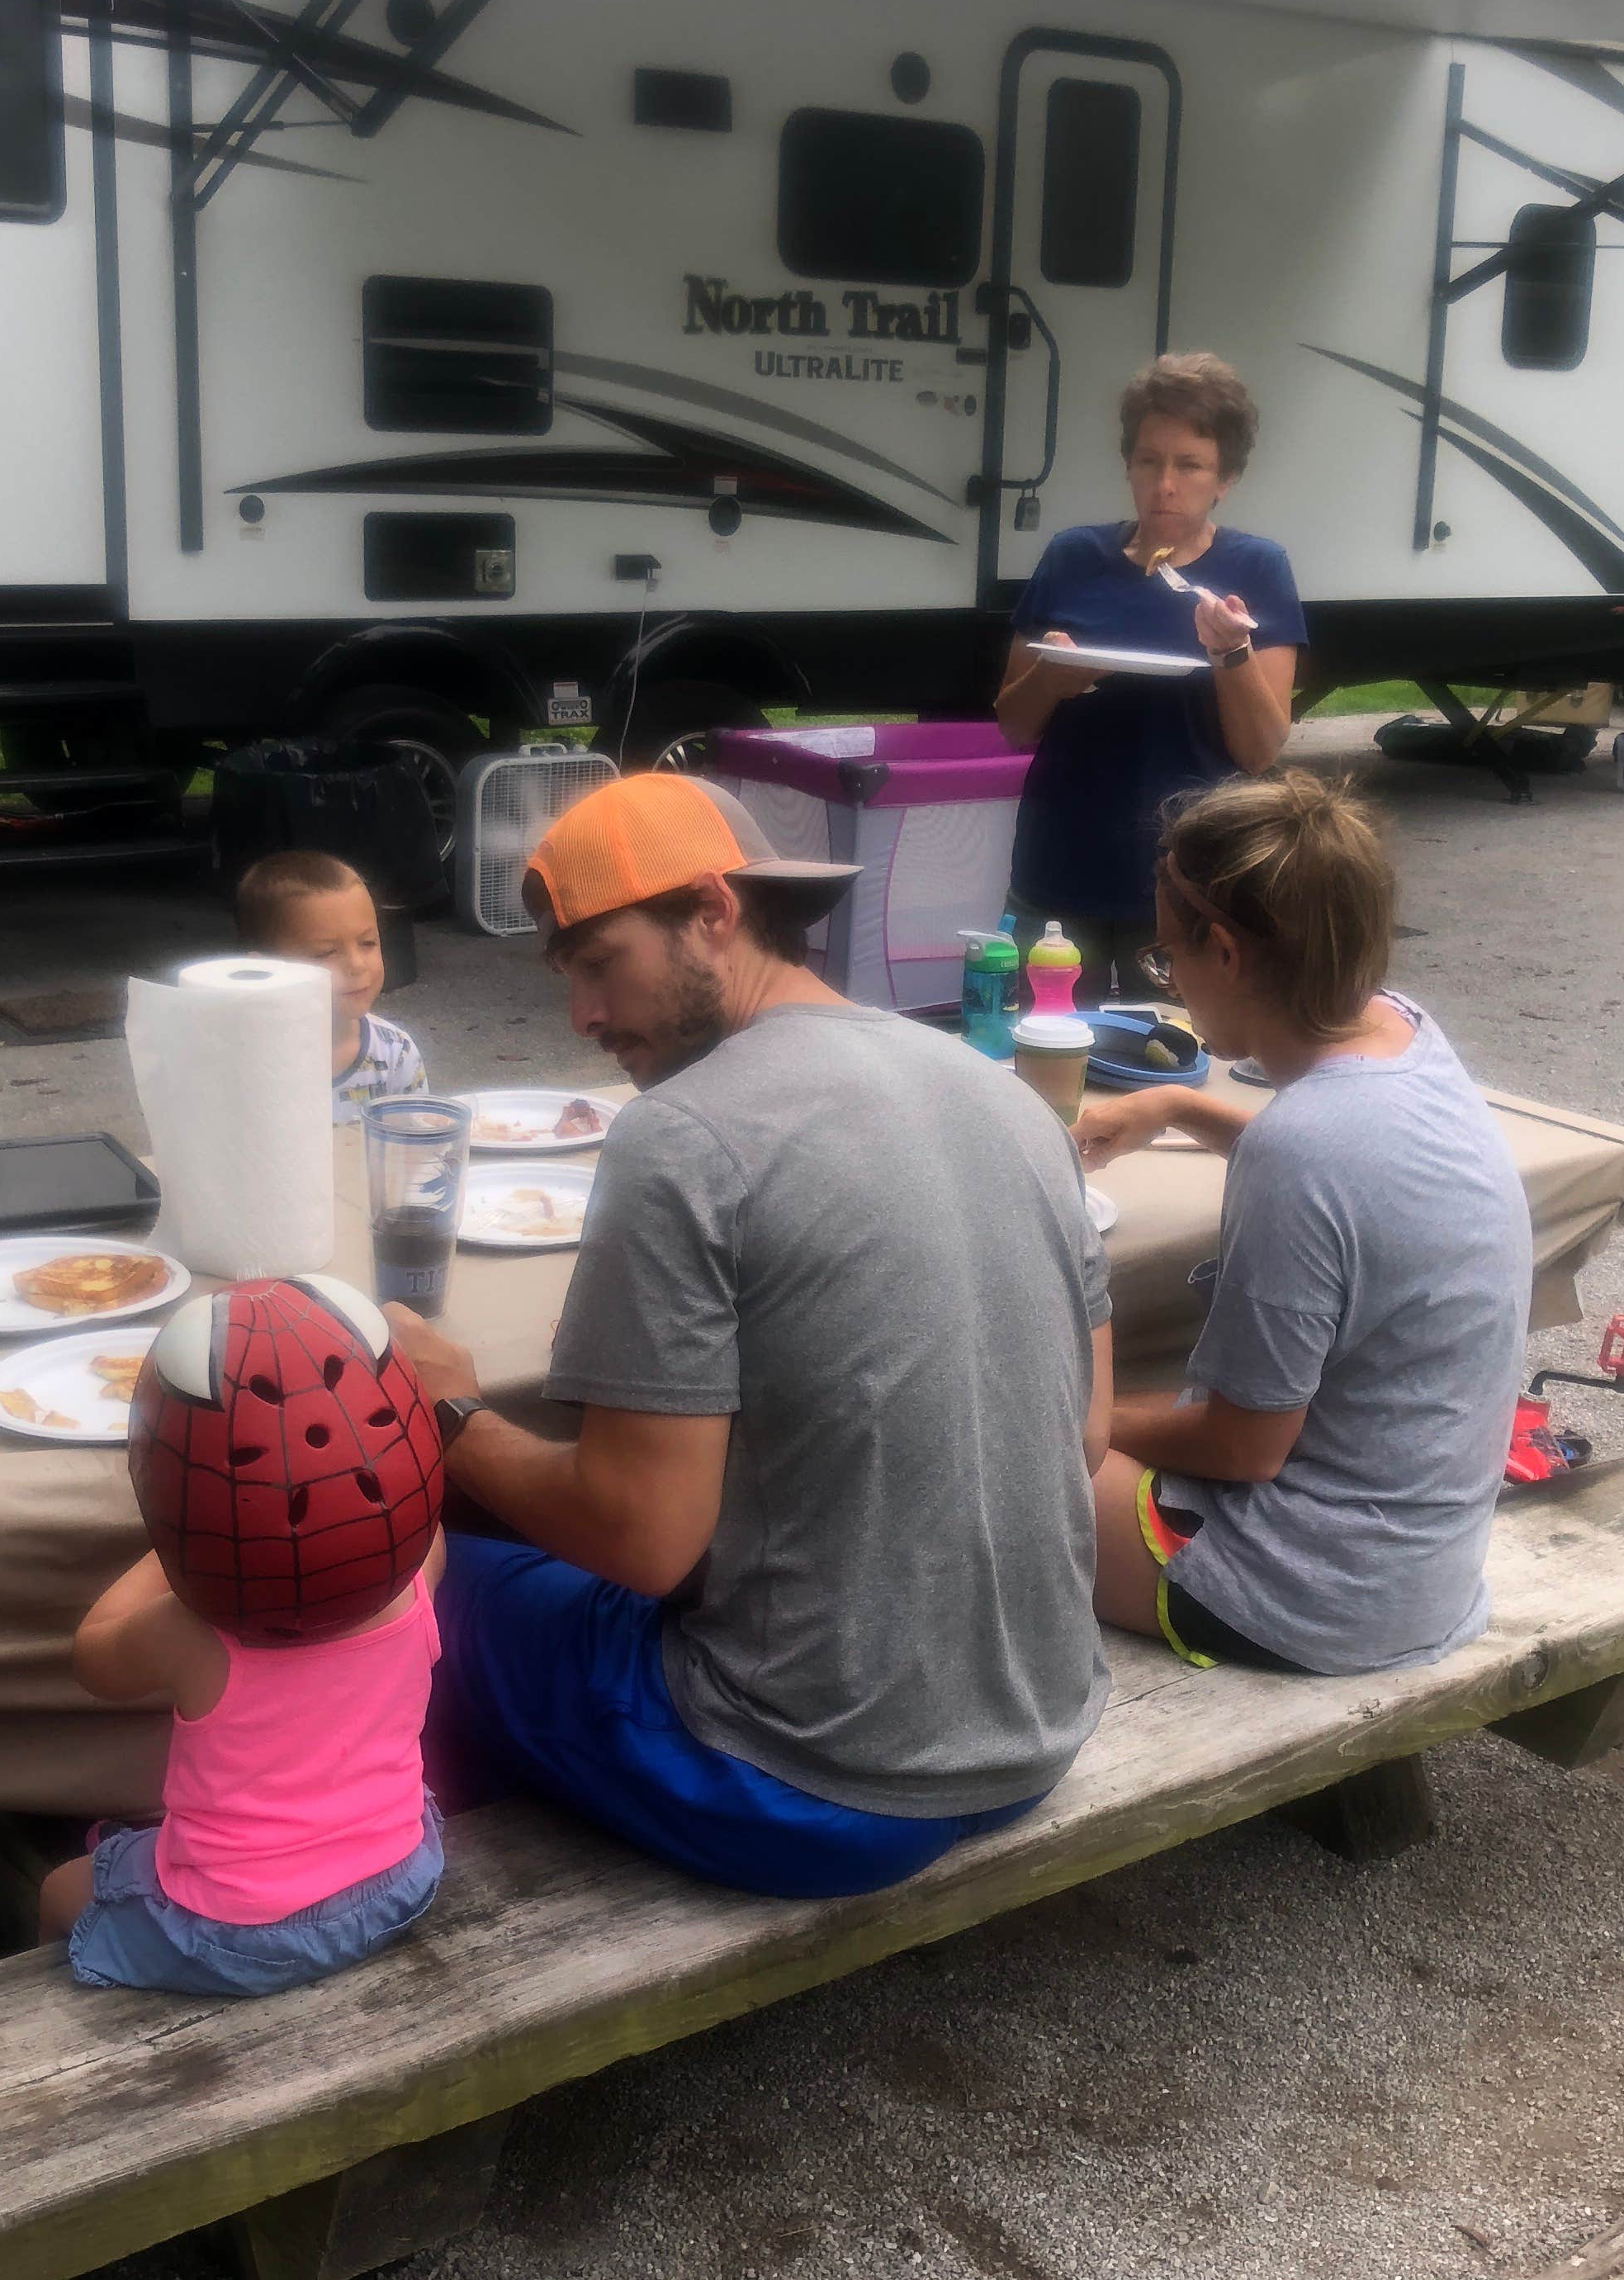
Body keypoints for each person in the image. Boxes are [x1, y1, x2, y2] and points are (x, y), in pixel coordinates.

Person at [383, 772, 1114, 1901]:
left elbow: (641, 1540)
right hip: (1041, 1732)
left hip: (802, 1782)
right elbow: (1089, 1436)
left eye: (595, 963)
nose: (579, 1015)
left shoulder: (680, 1135)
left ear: (713, 912)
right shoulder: (1008, 1094)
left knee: (395, 1587)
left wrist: (449, 1415)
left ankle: (304, 1865)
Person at [1079, 772, 1531, 1677]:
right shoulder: (1401, 1031)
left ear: (1227, 953)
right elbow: (1359, 1181)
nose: (1173, 983)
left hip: (1313, 1596)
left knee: (993, 1452)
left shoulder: (1304, 1148)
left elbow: (1243, 1448)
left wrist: (1079, 1420)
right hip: (1423, 1564)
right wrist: (1180, 1105)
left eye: (1169, 959)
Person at [38, 1273, 447, 1996]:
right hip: (402, 1876)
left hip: (235, 1934)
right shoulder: (424, 1568)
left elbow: (92, 1655)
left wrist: (178, 1543)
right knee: (140, 1846)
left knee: (56, 1891)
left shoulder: (188, 1632)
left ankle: (63, 2022)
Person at [994, 352, 1304, 1008]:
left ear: (1226, 478)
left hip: (1190, 879)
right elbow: (1013, 724)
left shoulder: (1257, 568)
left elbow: (1260, 751)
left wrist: (1231, 654)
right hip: (1059, 866)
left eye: (1189, 465)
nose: (1165, 484)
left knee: (1173, 1065)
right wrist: (1054, 679)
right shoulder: (1073, 557)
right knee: (1043, 1061)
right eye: (1148, 461)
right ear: (1129, 465)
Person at [234, 849, 427, 1120]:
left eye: (368, 943)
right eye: (325, 953)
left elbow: (416, 1146)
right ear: (264, 969)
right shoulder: (243, 1060)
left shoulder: (396, 1053)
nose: (357, 965)